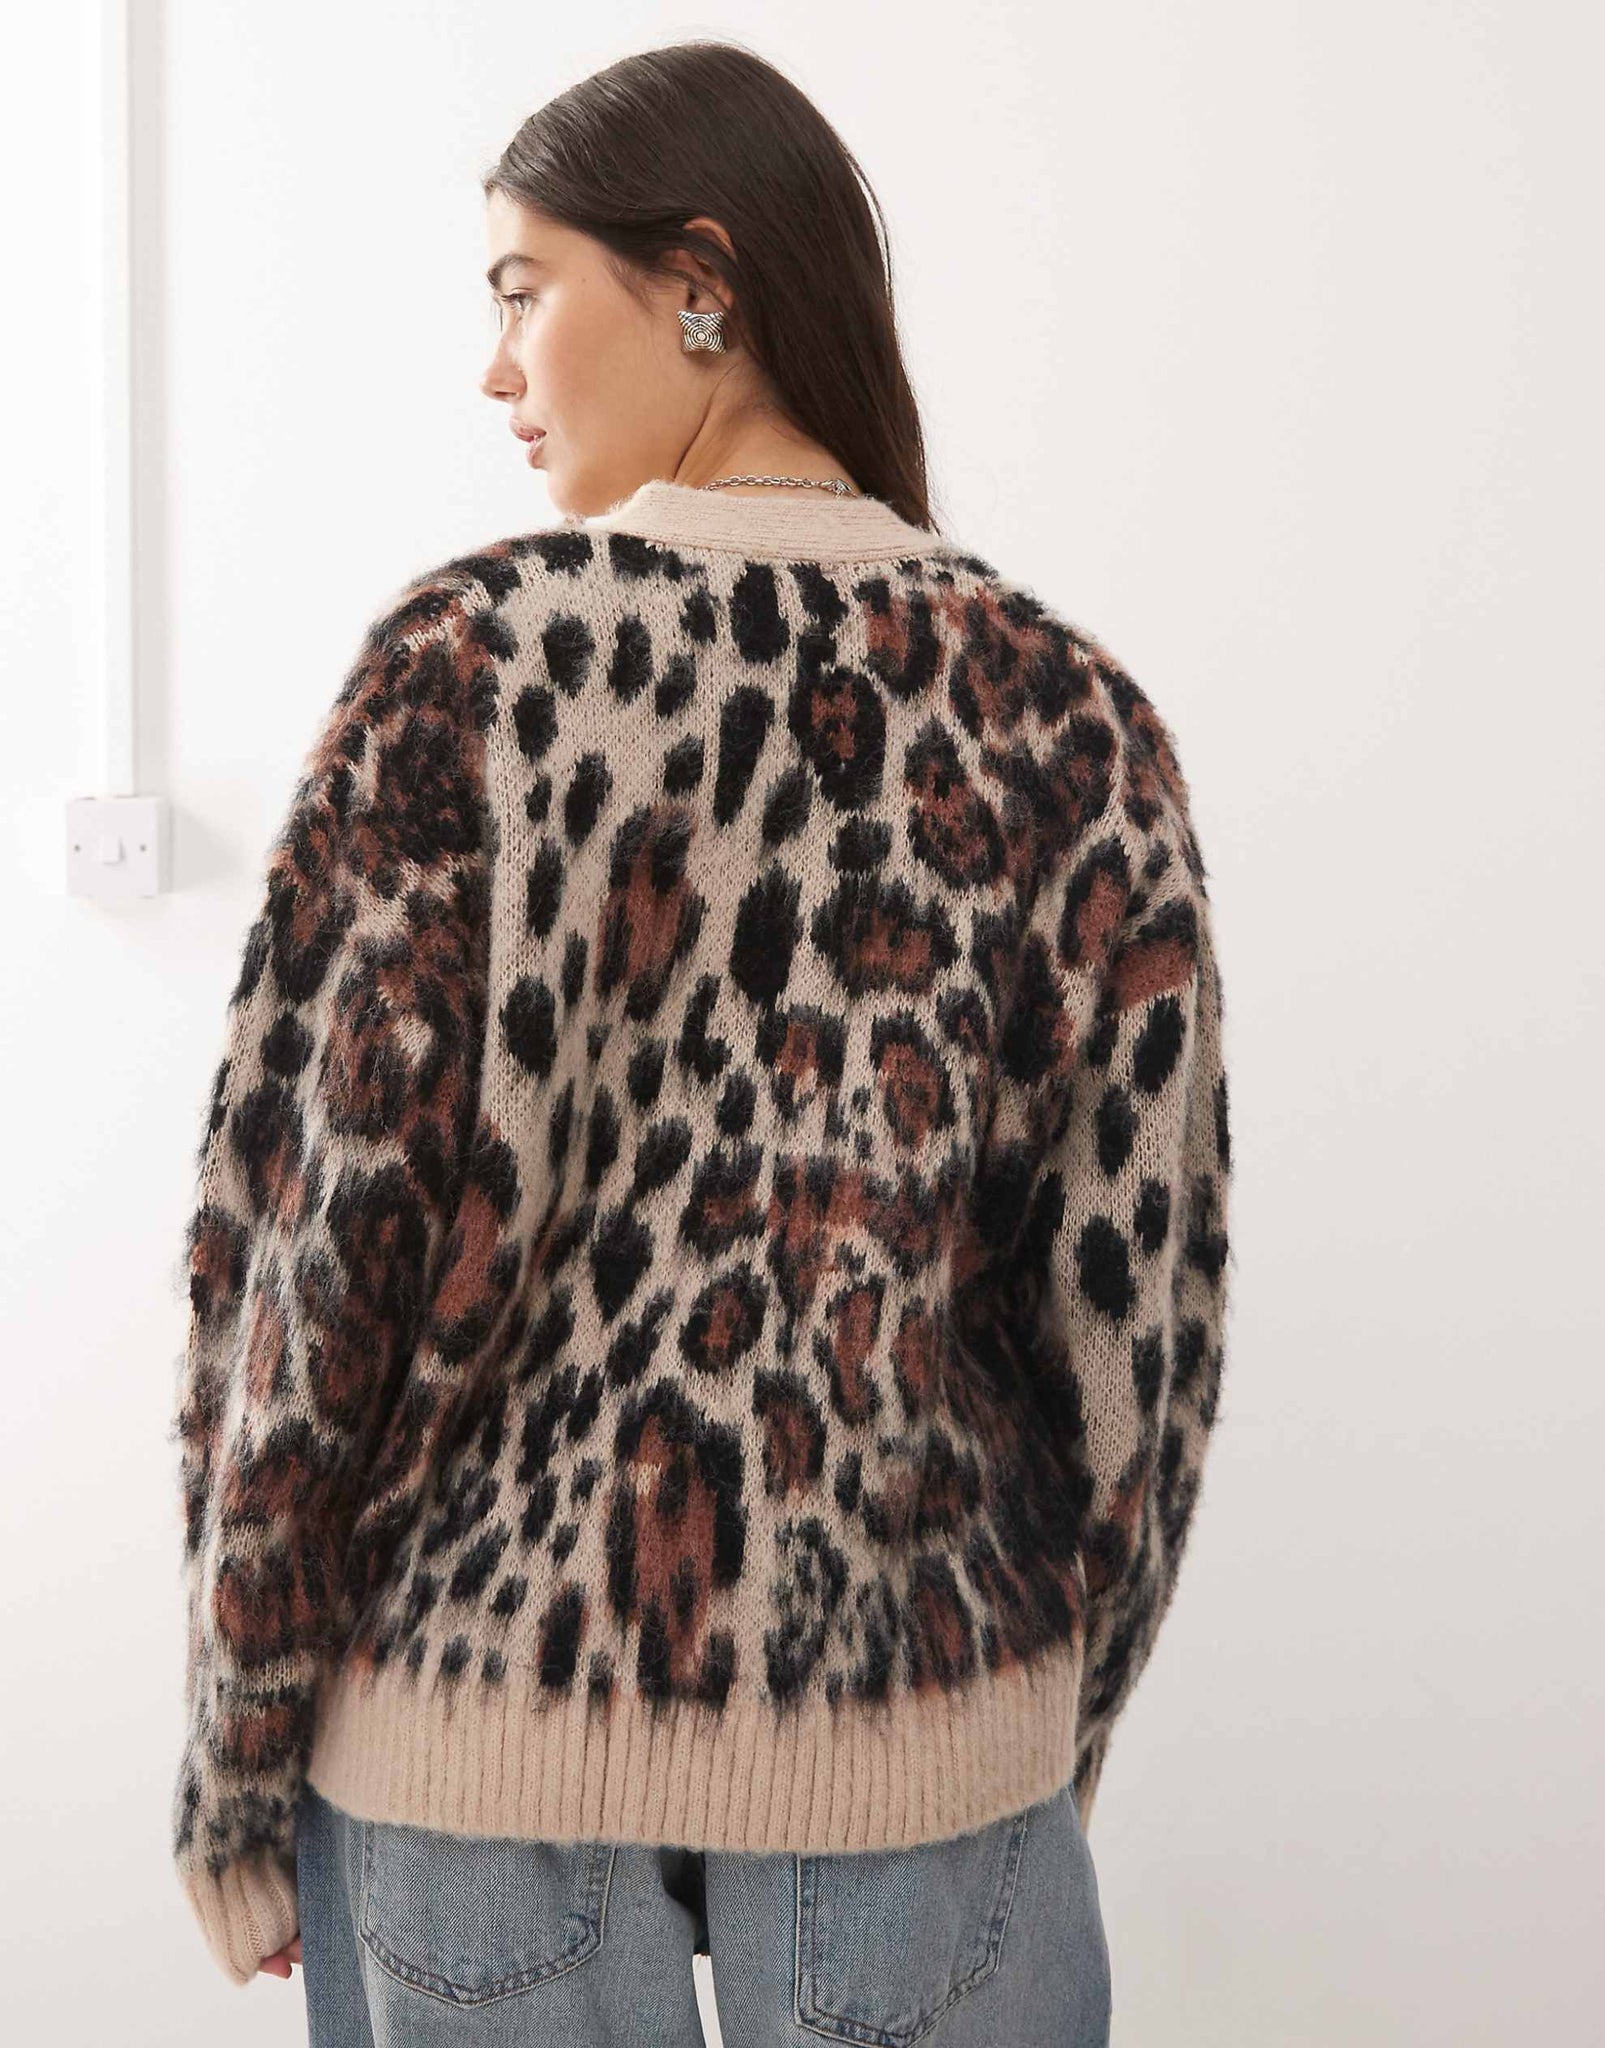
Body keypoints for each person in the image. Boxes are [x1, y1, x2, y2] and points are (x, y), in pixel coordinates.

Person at [168, 36, 1231, 2047]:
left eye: (520, 291)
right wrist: (1035, 1737)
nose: (495, 370)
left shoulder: (461, 672)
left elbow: (302, 1270)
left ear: (700, 285)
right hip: (921, 1734)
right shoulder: (1067, 716)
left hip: (467, 1748)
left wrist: (237, 1764)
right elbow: (1134, 1325)